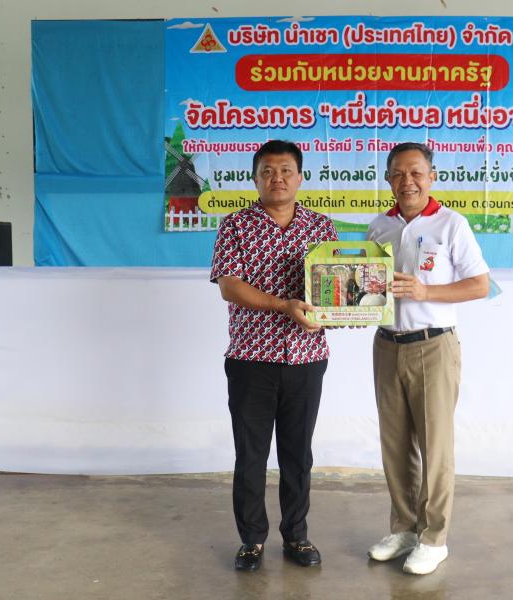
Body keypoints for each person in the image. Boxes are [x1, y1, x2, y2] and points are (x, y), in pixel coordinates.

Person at [210, 140, 337, 572]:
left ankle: (296, 536)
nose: (276, 178)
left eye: (285, 170)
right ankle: (252, 540)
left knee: (298, 455)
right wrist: (284, 305)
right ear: (255, 178)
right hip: (251, 359)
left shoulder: (321, 227)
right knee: (251, 455)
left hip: (306, 358)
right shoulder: (235, 226)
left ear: (300, 177)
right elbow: (230, 286)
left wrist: (341, 311)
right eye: (267, 171)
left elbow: (334, 287)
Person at [366, 142, 490, 575]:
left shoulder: (451, 224)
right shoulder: (379, 227)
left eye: (416, 172)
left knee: (435, 447)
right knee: (395, 446)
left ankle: (434, 539)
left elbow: (479, 285)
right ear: (388, 179)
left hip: (434, 346)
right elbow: (368, 290)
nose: (408, 182)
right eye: (399, 174)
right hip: (387, 346)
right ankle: (404, 528)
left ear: (432, 177)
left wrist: (426, 291)